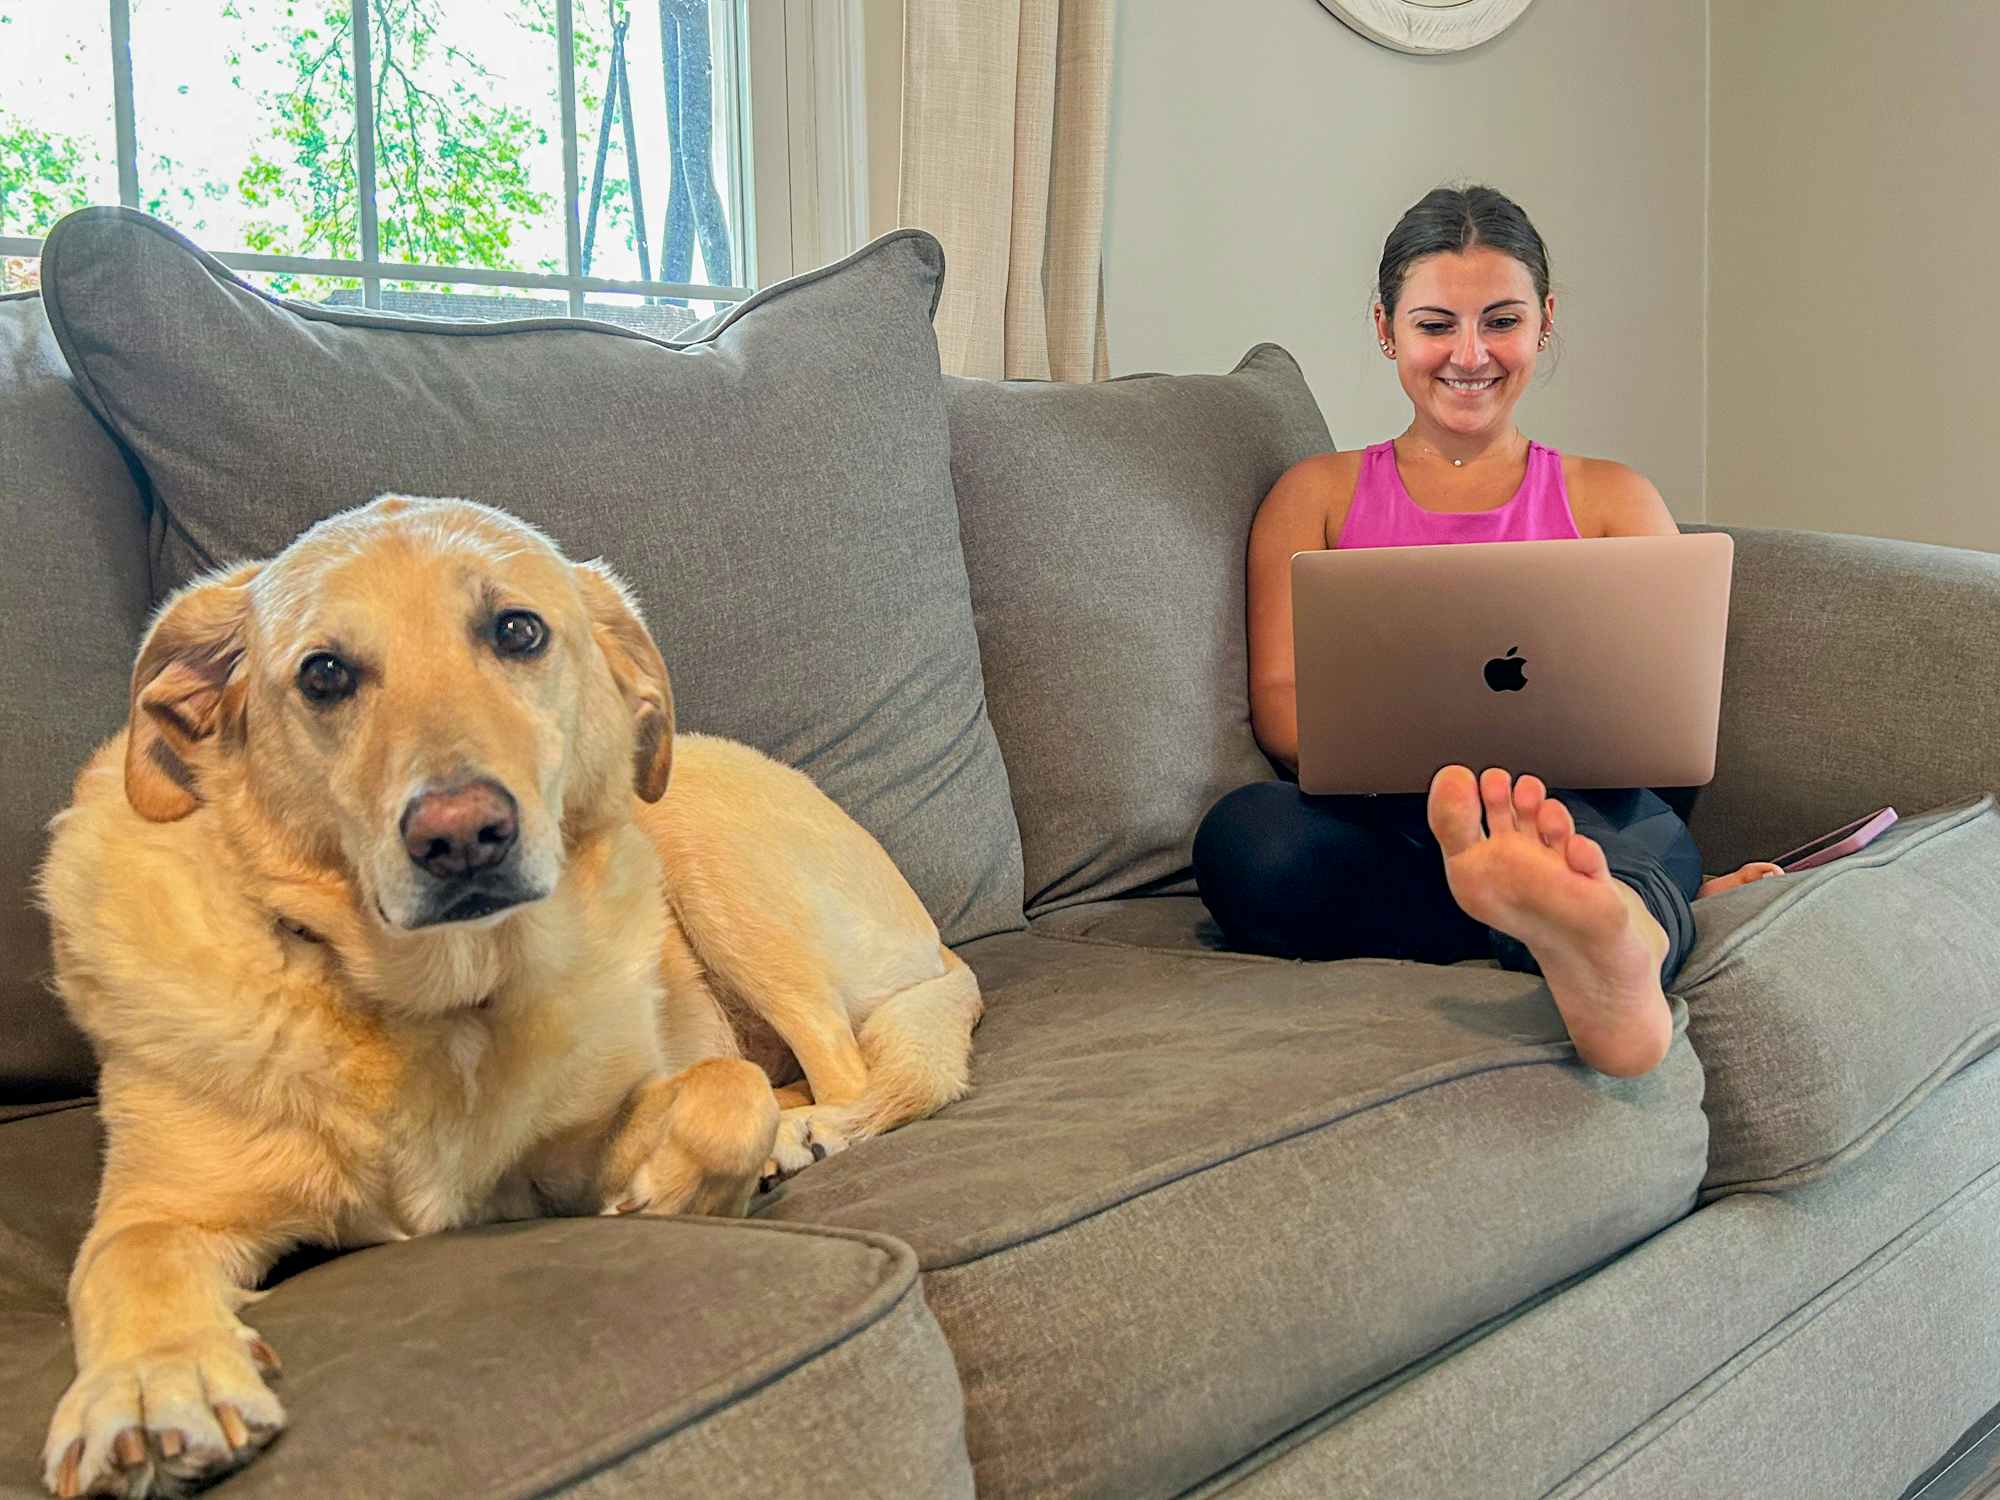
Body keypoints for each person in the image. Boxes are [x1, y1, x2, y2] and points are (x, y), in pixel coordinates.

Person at [1192, 184, 1781, 1079]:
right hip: (1385, 818)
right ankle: (1577, 914)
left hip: (1572, 803)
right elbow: (1280, 703)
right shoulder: (1314, 495)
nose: (1469, 355)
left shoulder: (1613, 498)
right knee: (1248, 842)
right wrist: (1433, 781)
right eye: (1436, 325)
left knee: (1619, 829)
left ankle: (1602, 931)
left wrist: (1527, 790)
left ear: (1544, 323)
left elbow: (1668, 710)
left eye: (1500, 321)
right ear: (1386, 330)